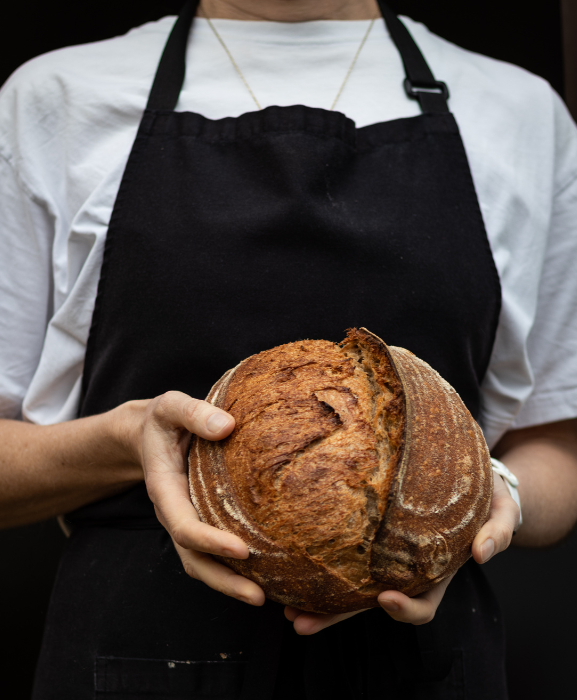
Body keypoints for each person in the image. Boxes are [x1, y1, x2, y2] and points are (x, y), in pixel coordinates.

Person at [1, 0, 577, 697]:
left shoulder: (521, 112)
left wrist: (487, 501)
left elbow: (557, 443)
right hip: (134, 657)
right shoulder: (54, 99)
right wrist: (126, 441)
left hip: (426, 664)